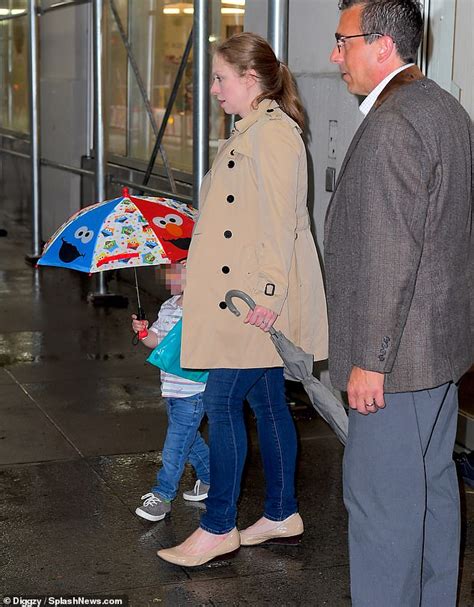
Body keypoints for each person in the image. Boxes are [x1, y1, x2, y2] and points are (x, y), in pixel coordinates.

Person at [157, 32, 328, 567]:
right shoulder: (250, 132)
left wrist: (269, 297)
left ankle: (218, 525)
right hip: (241, 297)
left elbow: (281, 225)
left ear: (250, 80)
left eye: (220, 78)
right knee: (266, 402)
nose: (213, 89)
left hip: (252, 303)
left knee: (221, 403)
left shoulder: (272, 136)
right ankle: (280, 513)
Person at [325, 1, 473, 605]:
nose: (335, 56)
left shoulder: (393, 124)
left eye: (343, 42)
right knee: (433, 486)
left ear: (382, 45)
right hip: (438, 353)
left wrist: (371, 360)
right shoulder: (444, 108)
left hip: (397, 362)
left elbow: (391, 253)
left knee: (382, 502)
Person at [131, 264, 210, 522]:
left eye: (179, 270)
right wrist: (143, 332)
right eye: (169, 271)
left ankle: (163, 496)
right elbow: (156, 341)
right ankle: (212, 477)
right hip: (171, 390)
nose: (171, 276)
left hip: (193, 391)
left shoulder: (203, 308)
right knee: (189, 440)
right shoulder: (168, 306)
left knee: (175, 446)